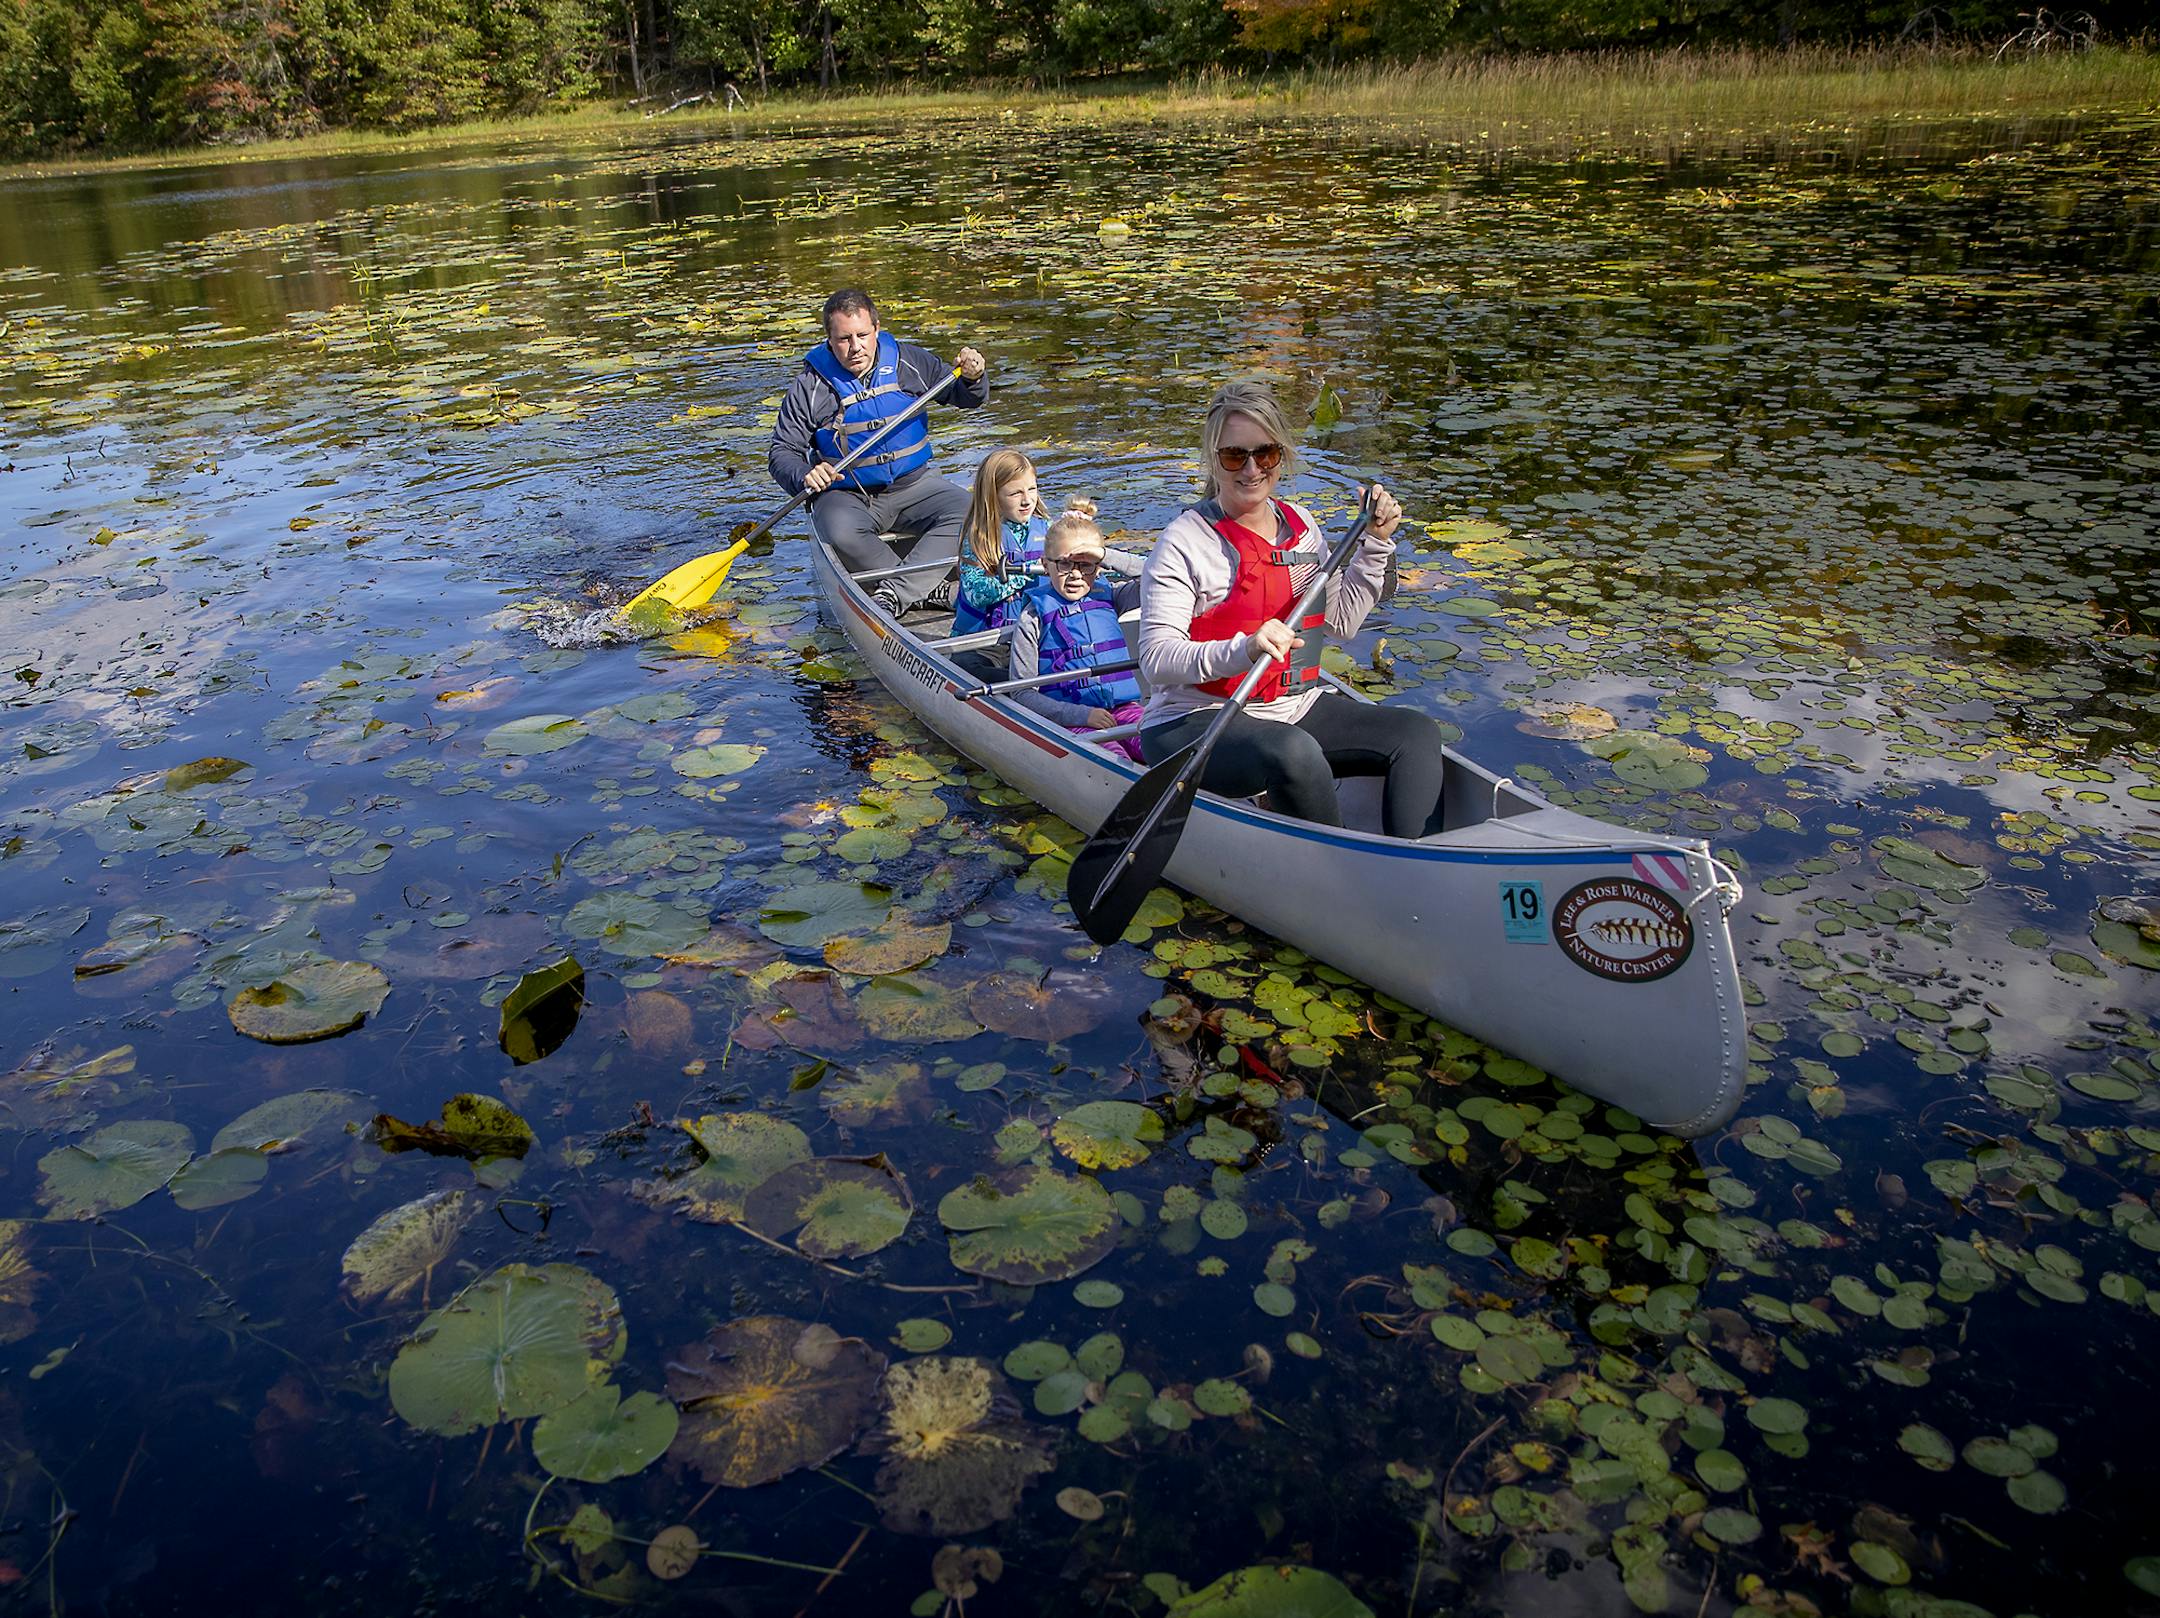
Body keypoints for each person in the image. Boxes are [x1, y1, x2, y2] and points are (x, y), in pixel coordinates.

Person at [1134, 379, 1443, 836]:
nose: (1252, 469)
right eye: (1234, 456)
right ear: (1214, 462)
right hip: (1192, 720)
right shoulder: (1185, 541)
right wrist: (1245, 649)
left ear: (1281, 455)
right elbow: (1157, 660)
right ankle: (1338, 877)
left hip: (1290, 707)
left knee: (1415, 734)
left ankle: (1418, 867)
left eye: (1266, 454)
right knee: (1292, 751)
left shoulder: (1302, 528)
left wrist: (1375, 545)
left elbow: (1341, 623)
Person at [768, 288, 988, 615]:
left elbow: (965, 396)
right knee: (839, 532)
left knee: (972, 510)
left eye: (862, 335)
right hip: (849, 495)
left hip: (916, 487)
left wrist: (974, 377)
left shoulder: (909, 361)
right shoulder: (810, 386)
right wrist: (805, 474)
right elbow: (782, 451)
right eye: (844, 339)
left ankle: (898, 591)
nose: (855, 347)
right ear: (829, 339)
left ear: (877, 329)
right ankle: (931, 590)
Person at [1008, 500, 1147, 763]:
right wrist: (1081, 715)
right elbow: (1022, 692)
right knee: (1118, 761)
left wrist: (1106, 555)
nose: (1075, 575)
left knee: (1157, 746)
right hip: (1073, 719)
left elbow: (1157, 572)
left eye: (1086, 565)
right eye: (1064, 564)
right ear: (1045, 564)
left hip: (1124, 709)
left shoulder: (1112, 597)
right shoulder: (1033, 617)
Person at [956, 452, 1149, 636]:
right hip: (989, 639)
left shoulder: (1046, 527)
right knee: (975, 665)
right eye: (1015, 493)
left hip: (1036, 628)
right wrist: (1030, 572)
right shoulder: (979, 537)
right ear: (992, 495)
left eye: (1032, 489)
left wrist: (1094, 554)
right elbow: (977, 595)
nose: (1027, 500)